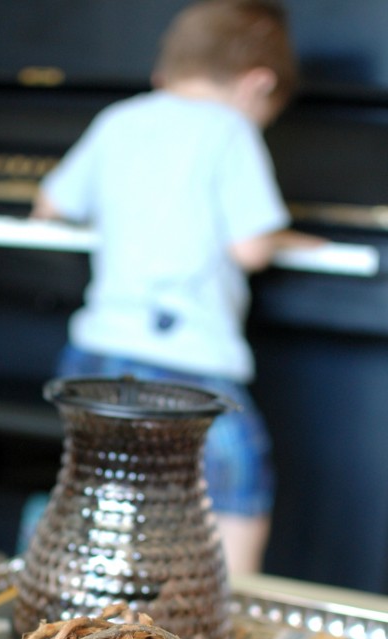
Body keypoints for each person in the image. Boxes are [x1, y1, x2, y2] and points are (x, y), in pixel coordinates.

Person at [31, 0, 321, 575]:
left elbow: (49, 208)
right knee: (238, 490)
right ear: (257, 83)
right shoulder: (229, 129)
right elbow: (252, 247)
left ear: (168, 72)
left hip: (96, 354)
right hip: (187, 363)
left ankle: (84, 607)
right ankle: (230, 613)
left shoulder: (120, 118)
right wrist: (302, 240)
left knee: (108, 486)